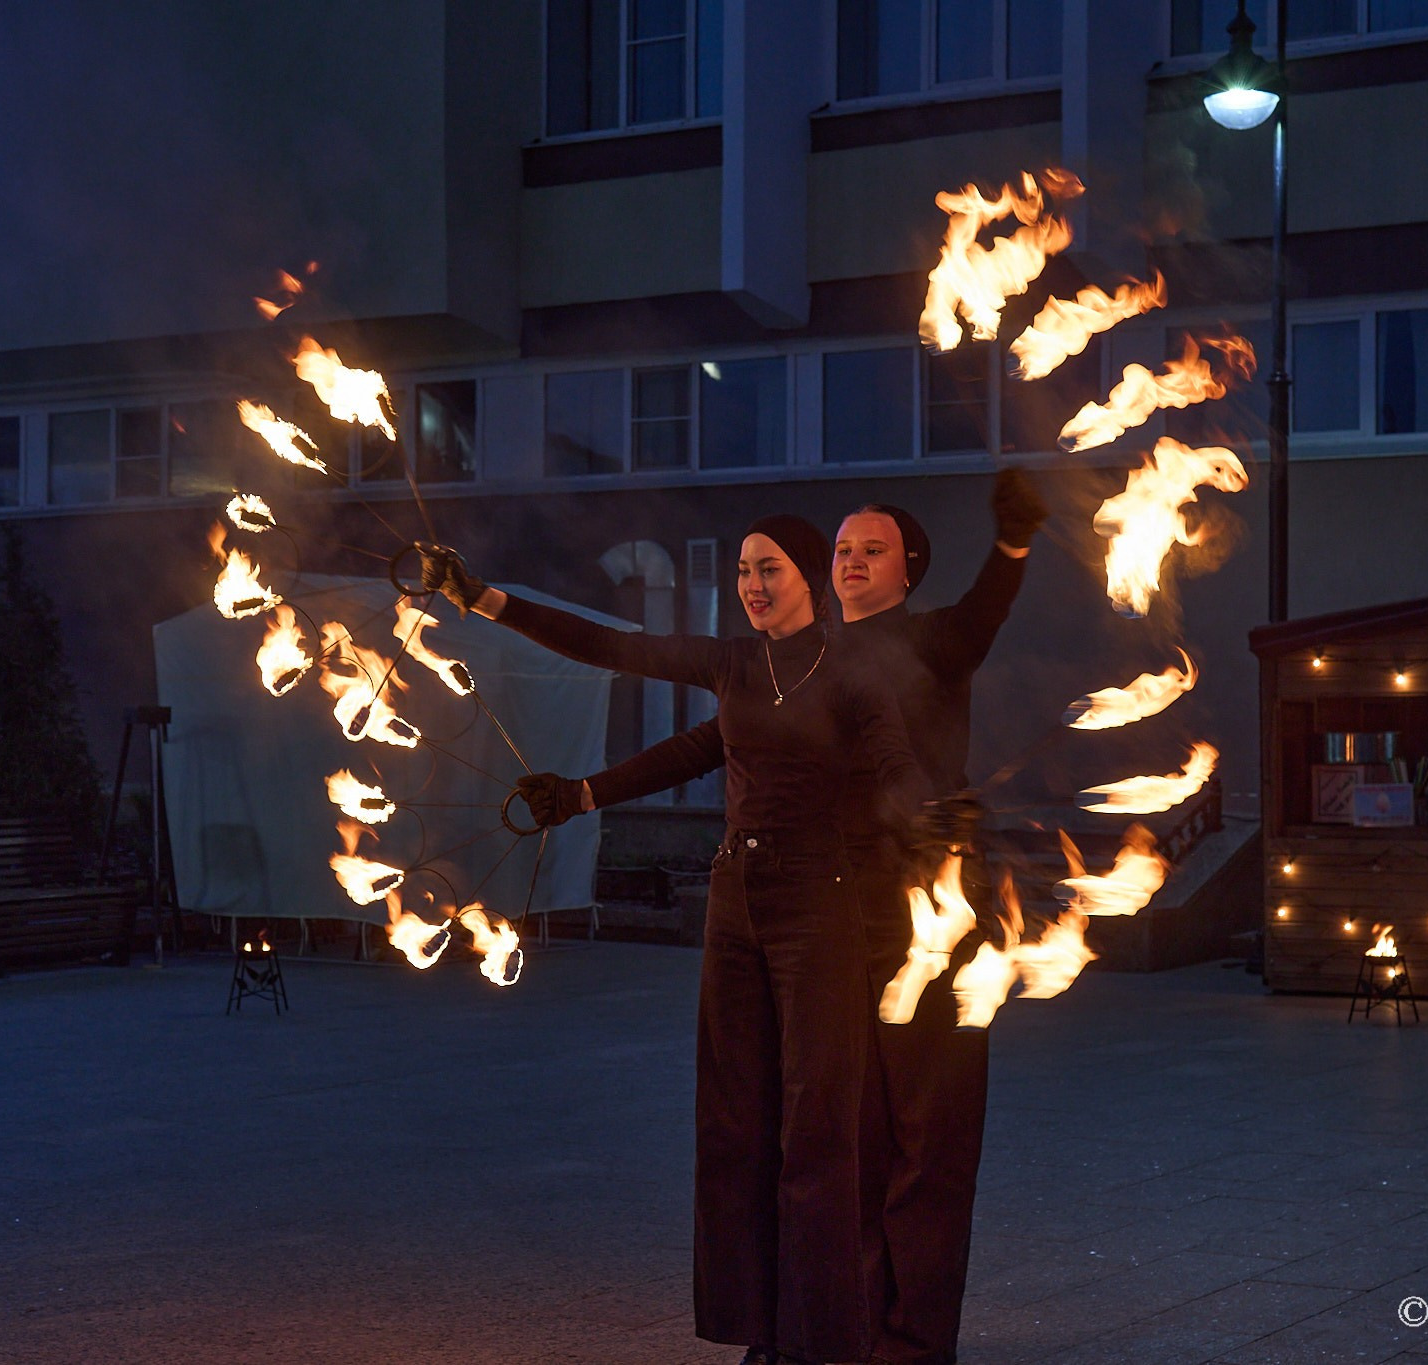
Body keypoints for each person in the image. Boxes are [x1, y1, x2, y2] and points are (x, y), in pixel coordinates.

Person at [513, 471, 1047, 1365]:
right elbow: (713, 739)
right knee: (835, 1134)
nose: (848, 564)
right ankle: (829, 1325)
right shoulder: (797, 655)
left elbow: (983, 615)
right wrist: (585, 792)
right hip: (835, 909)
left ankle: (910, 1340)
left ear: (909, 570)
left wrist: (1013, 547)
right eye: (838, 551)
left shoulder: (931, 640)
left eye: (870, 551)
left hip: (925, 916)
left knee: (925, 1134)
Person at [420, 516, 926, 1365]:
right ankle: (762, 1332)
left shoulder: (853, 673)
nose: (752, 585)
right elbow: (613, 648)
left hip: (819, 905)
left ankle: (816, 1339)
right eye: (742, 571)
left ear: (806, 576)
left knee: (815, 1128)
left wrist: (932, 816)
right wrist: (484, 600)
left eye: (769, 569)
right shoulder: (734, 663)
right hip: (736, 905)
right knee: (734, 1124)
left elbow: (896, 762)